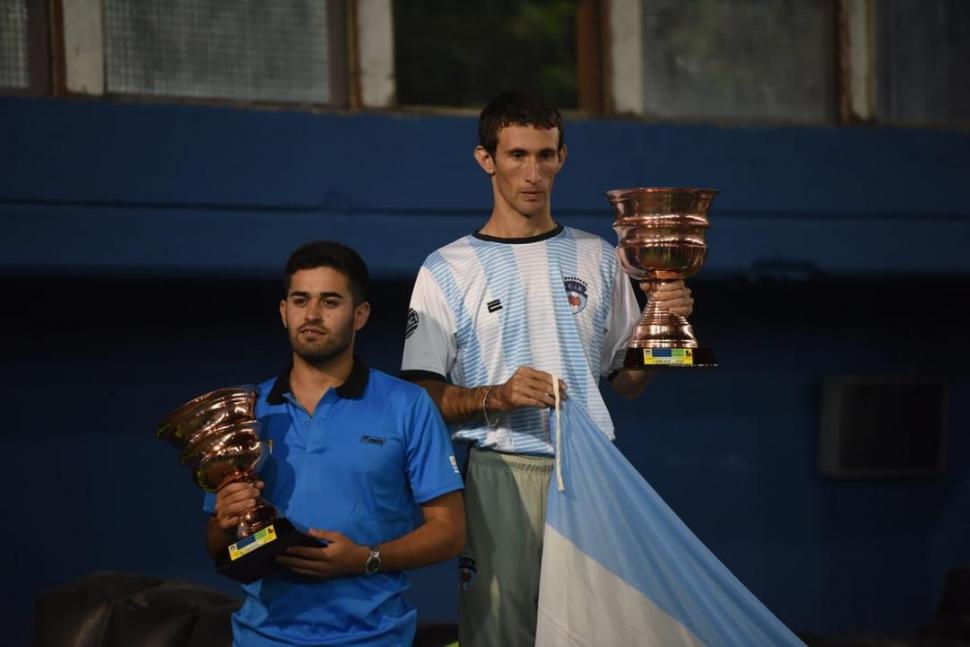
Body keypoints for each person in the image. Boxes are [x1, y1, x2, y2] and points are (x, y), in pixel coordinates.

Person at [400, 90, 694, 646]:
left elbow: (628, 383)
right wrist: (497, 396)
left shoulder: (600, 257)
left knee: (598, 633)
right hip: (500, 472)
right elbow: (420, 395)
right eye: (516, 156)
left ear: (562, 156)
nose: (533, 173)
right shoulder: (445, 268)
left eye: (545, 155)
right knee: (501, 634)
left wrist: (662, 329)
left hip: (594, 471)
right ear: (486, 160)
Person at [207, 240, 465, 646]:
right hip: (261, 638)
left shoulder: (407, 405)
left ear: (359, 315)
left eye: (330, 302)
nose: (311, 315)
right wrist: (224, 522)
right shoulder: (247, 412)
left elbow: (450, 531)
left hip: (375, 638)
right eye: (300, 300)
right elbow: (218, 544)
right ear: (283, 311)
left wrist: (366, 560)